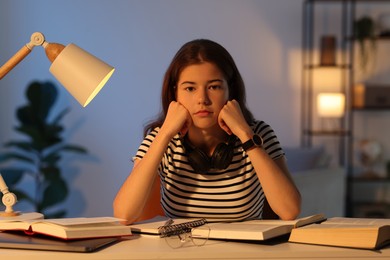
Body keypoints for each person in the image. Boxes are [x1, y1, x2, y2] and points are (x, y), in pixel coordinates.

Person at [113, 39, 301, 224]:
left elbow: (289, 211)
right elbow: (124, 214)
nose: (202, 99)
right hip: (181, 252)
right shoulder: (160, 139)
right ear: (175, 93)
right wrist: (165, 134)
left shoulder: (258, 134)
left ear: (230, 91)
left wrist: (245, 134)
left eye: (214, 87)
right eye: (190, 88)